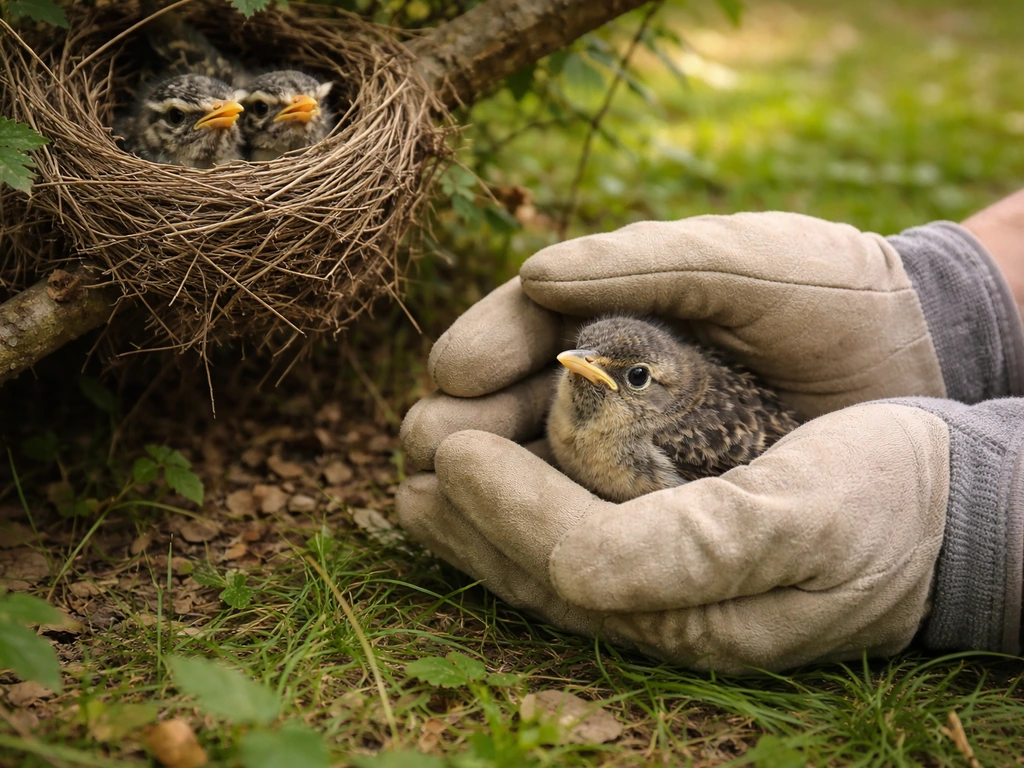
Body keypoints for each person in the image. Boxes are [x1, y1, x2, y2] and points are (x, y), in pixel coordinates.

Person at [395, 190, 1024, 674]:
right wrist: (958, 295)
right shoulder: (580, 400)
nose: (581, 371)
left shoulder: (670, 441)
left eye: (634, 377)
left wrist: (988, 510)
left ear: (664, 388)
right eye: (582, 357)